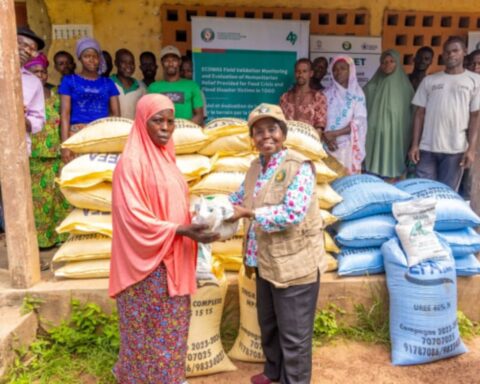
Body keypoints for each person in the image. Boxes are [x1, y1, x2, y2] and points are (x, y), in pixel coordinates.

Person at [109, 94, 219, 383]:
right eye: (158, 120)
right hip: (148, 268)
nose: (166, 127)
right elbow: (131, 216)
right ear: (142, 122)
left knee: (172, 330)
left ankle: (169, 378)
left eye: (170, 121)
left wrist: (196, 221)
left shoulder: (166, 159)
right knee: (147, 335)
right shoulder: (131, 163)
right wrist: (180, 230)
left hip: (174, 259)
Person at [228, 103, 324, 384]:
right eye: (258, 132)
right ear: (252, 138)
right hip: (264, 262)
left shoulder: (298, 166)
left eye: (272, 129)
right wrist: (211, 211)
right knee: (269, 325)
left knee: (294, 335)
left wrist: (251, 214)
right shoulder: (255, 167)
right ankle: (273, 373)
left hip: (295, 265)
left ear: (283, 133)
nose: (265, 136)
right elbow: (238, 199)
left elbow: (292, 214)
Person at [409, 36, 480, 191]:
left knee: (447, 194)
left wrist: (471, 149)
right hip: (427, 148)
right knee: (424, 191)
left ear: (464, 52)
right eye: (447, 52)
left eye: (455, 51)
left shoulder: (474, 80)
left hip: (455, 150)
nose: (451, 55)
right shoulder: (430, 81)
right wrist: (415, 144)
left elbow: (475, 116)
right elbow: (419, 113)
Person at [25, 53, 69, 249]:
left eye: (43, 72)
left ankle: (61, 237)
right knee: (39, 199)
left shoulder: (57, 95)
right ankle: (42, 242)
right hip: (35, 155)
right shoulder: (25, 97)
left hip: (56, 152)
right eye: (36, 72)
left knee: (59, 198)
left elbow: (64, 122)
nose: (40, 75)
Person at [58, 37, 120, 163]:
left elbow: (116, 114)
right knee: (78, 176)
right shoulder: (69, 81)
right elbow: (65, 114)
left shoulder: (108, 83)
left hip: (101, 136)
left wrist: (112, 140)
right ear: (80, 58)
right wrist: (65, 145)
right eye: (87, 56)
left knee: (100, 175)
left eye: (95, 56)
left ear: (99, 58)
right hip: (76, 136)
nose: (92, 60)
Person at [364, 49, 414, 180]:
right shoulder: (372, 85)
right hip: (374, 136)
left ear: (397, 63)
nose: (387, 65)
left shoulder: (405, 87)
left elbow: (411, 114)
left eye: (392, 61)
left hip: (395, 137)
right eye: (384, 62)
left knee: (392, 167)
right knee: (372, 169)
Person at [323, 55, 367, 174]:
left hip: (347, 147)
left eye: (343, 68)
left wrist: (335, 134)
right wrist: (326, 138)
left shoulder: (357, 94)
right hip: (327, 145)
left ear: (350, 70)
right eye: (335, 69)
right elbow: (320, 119)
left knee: (346, 184)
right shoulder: (326, 93)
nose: (338, 72)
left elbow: (359, 122)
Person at [148, 45, 204, 125]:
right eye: (167, 60)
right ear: (162, 63)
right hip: (161, 133)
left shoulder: (192, 86)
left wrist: (182, 128)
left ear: (179, 62)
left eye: (174, 60)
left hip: (185, 133)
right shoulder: (153, 88)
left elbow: (199, 115)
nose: (170, 63)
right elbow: (148, 115)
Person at [279, 58, 327, 133]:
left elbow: (320, 126)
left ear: (311, 73)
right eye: (298, 71)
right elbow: (280, 123)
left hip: (308, 142)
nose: (300, 74)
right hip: (287, 142)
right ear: (295, 73)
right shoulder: (285, 97)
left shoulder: (318, 97)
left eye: (304, 71)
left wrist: (314, 142)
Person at [17, 27, 45, 156]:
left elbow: (38, 119)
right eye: (22, 44)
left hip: (17, 145)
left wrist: (21, 119)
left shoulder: (34, 82)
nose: (27, 51)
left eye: (32, 49)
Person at [111, 48, 146, 120]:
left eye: (131, 63)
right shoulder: (109, 83)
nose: (128, 66)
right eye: (123, 62)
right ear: (116, 63)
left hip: (133, 129)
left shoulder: (140, 87)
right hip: (113, 129)